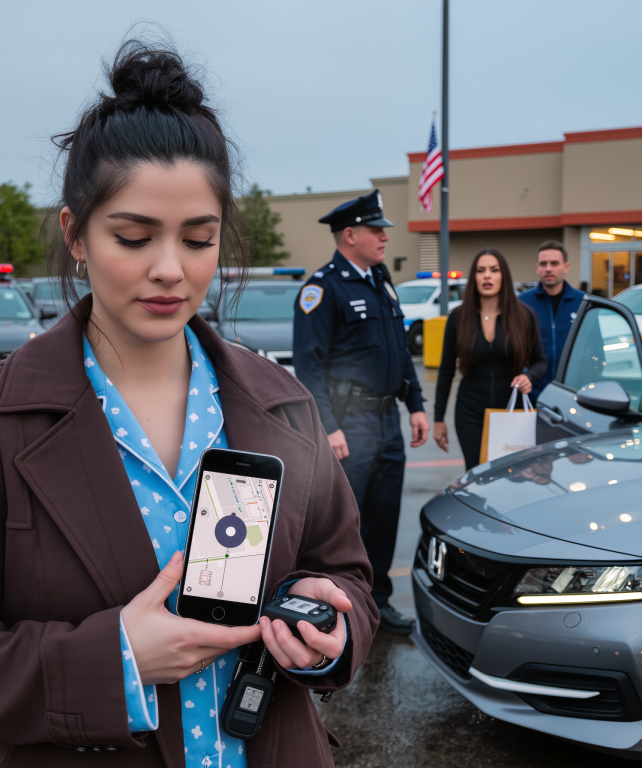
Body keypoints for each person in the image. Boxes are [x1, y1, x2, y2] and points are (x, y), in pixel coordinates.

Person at [0, 41, 377, 768]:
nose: (170, 268)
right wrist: (115, 658)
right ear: (75, 233)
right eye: (134, 237)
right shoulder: (9, 416)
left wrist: (334, 631)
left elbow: (351, 575)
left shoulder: (283, 404)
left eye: (198, 239)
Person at [293, 191, 429, 635]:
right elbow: (309, 366)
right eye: (376, 230)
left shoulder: (380, 280)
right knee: (348, 520)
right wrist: (328, 426)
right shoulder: (324, 288)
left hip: (388, 419)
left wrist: (416, 405)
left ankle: (379, 603)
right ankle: (340, 604)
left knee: (386, 513)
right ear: (350, 235)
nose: (384, 237)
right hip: (350, 422)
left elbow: (402, 351)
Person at [433, 248, 546, 470]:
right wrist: (438, 419)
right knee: (476, 477)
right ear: (473, 277)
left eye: (494, 270)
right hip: (470, 412)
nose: (487, 275)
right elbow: (446, 370)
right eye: (480, 270)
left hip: (511, 410)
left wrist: (528, 376)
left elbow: (540, 361)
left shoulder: (525, 316)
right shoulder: (458, 317)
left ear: (503, 275)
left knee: (513, 476)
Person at [518, 240, 585, 403]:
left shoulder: (583, 303)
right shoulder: (522, 304)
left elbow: (595, 350)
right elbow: (513, 348)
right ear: (537, 268)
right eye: (543, 264)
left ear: (566, 267)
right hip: (531, 395)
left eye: (554, 263)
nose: (548, 268)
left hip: (573, 396)